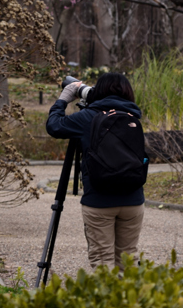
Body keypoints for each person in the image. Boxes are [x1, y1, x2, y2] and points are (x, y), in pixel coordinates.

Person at [46, 72, 144, 270]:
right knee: (129, 260)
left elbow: (54, 126)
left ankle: (107, 301)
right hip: (134, 201)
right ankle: (132, 300)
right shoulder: (134, 116)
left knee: (102, 262)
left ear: (97, 92)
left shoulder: (87, 117)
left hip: (99, 203)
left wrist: (63, 99)